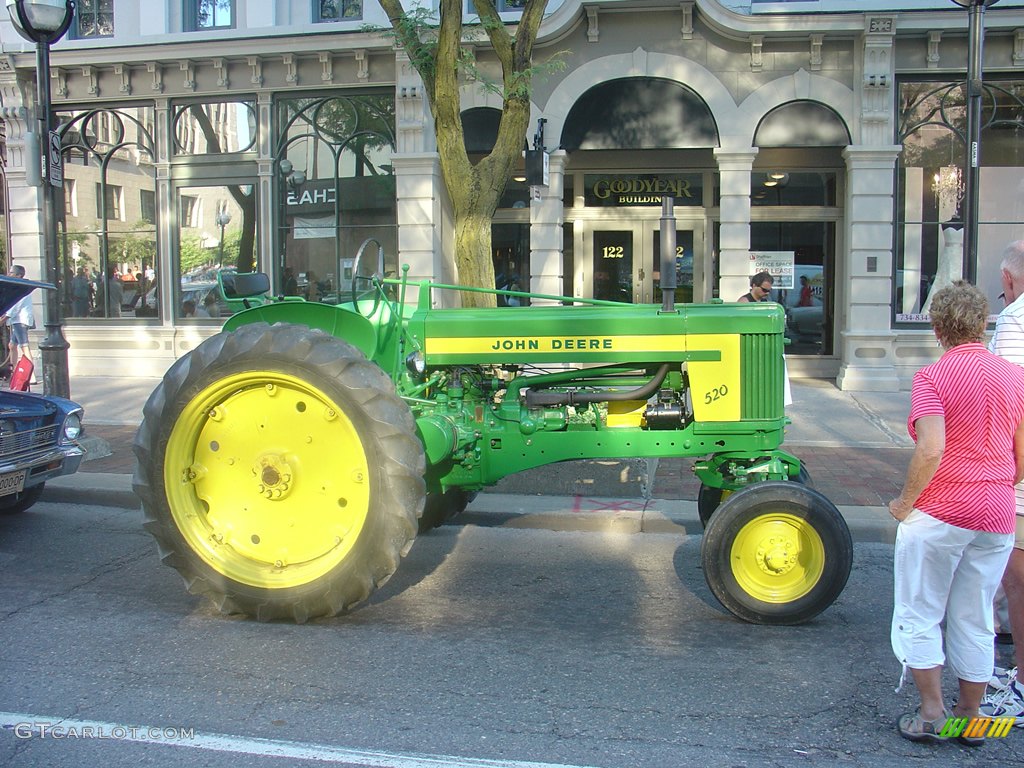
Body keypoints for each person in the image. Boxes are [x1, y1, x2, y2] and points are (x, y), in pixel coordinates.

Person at [888, 280, 1024, 745]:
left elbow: (931, 449)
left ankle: (931, 712)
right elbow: (1021, 456)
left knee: (920, 609)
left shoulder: (933, 378)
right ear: (983, 323)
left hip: (944, 508)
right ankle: (970, 715)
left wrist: (905, 503)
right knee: (975, 614)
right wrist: (999, 483)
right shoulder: (1014, 377)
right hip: (997, 511)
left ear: (937, 326)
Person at [980, 239, 1024, 722]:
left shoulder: (1014, 322)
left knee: (1018, 575)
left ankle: (1020, 688)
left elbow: (1013, 404)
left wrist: (1006, 471)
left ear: (1008, 281)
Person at [4, 264, 34, 382]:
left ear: (19, 275)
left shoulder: (22, 288)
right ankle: (13, 371)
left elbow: (15, 307)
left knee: (24, 346)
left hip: (21, 321)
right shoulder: (17, 287)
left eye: (11, 273)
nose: (9, 274)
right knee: (12, 346)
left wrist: (4, 318)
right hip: (17, 321)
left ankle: (30, 376)